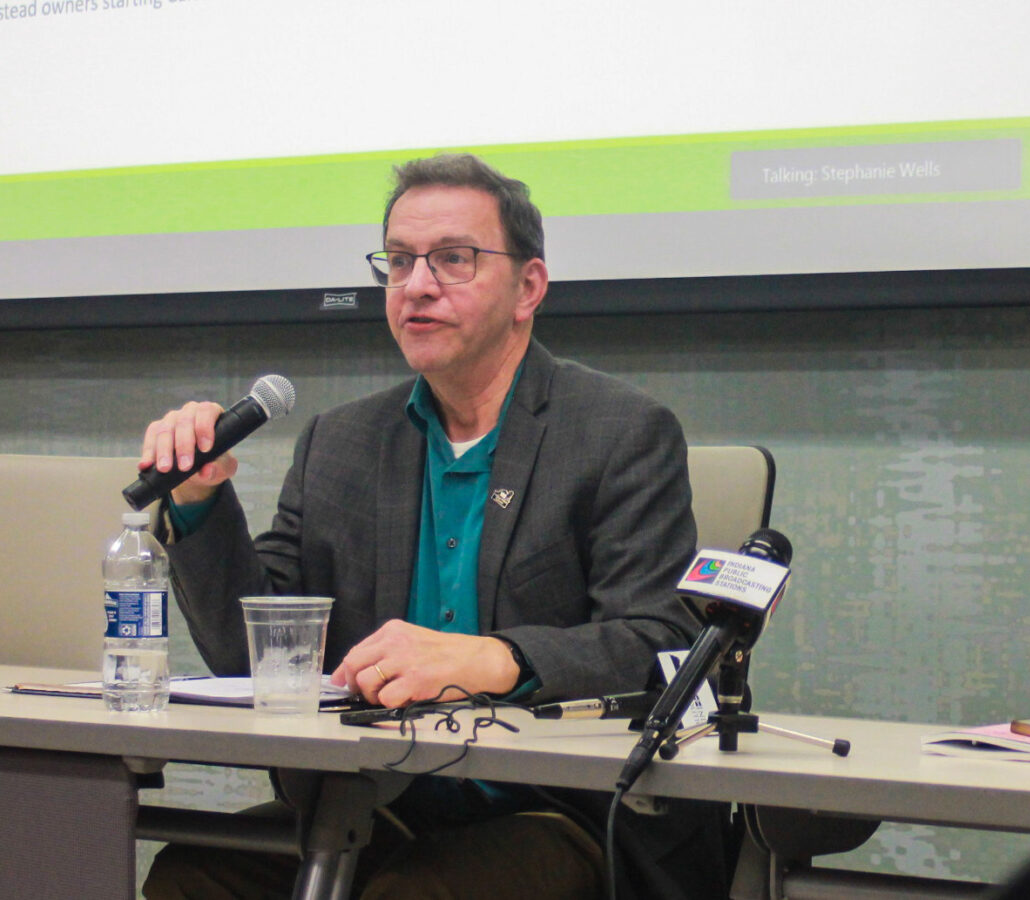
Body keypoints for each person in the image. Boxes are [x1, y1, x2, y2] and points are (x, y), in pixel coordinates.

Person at [138, 153, 722, 898]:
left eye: (453, 260)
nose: (416, 285)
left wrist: (498, 660)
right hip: (375, 806)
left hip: (555, 814)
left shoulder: (618, 432)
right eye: (401, 262)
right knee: (192, 879)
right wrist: (198, 500)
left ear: (528, 287)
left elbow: (660, 640)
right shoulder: (340, 443)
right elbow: (251, 655)